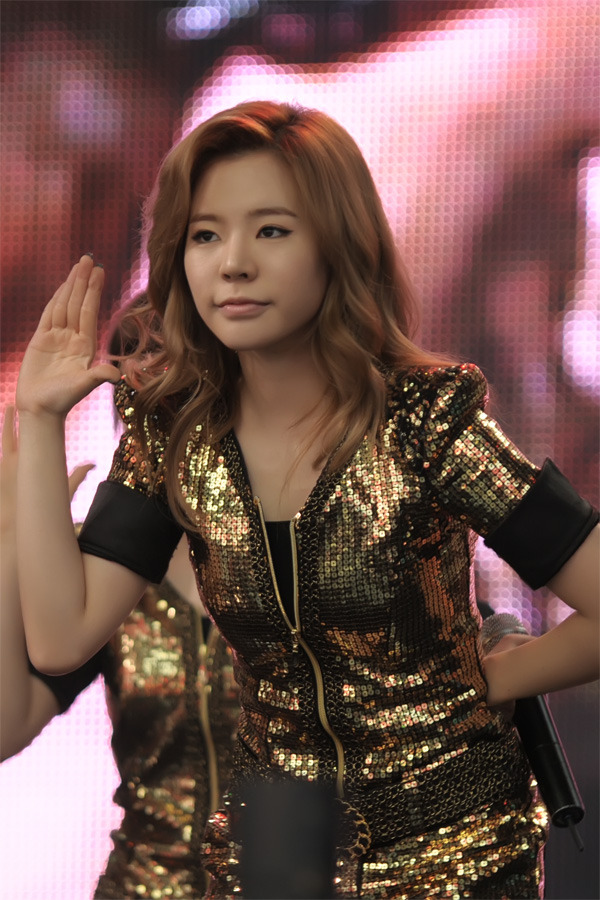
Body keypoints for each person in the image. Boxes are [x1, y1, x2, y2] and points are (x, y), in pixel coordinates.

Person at [15, 101, 599, 898]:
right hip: (278, 848)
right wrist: (41, 417)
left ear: (337, 245)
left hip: (452, 843)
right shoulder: (174, 439)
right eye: (205, 235)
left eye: (271, 231)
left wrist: (487, 682)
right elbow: (60, 639)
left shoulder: (426, 420)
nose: (233, 264)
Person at [1, 403, 239, 899]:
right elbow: (5, 729)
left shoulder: (301, 553)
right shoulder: (97, 571)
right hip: (140, 883)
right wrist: (8, 543)